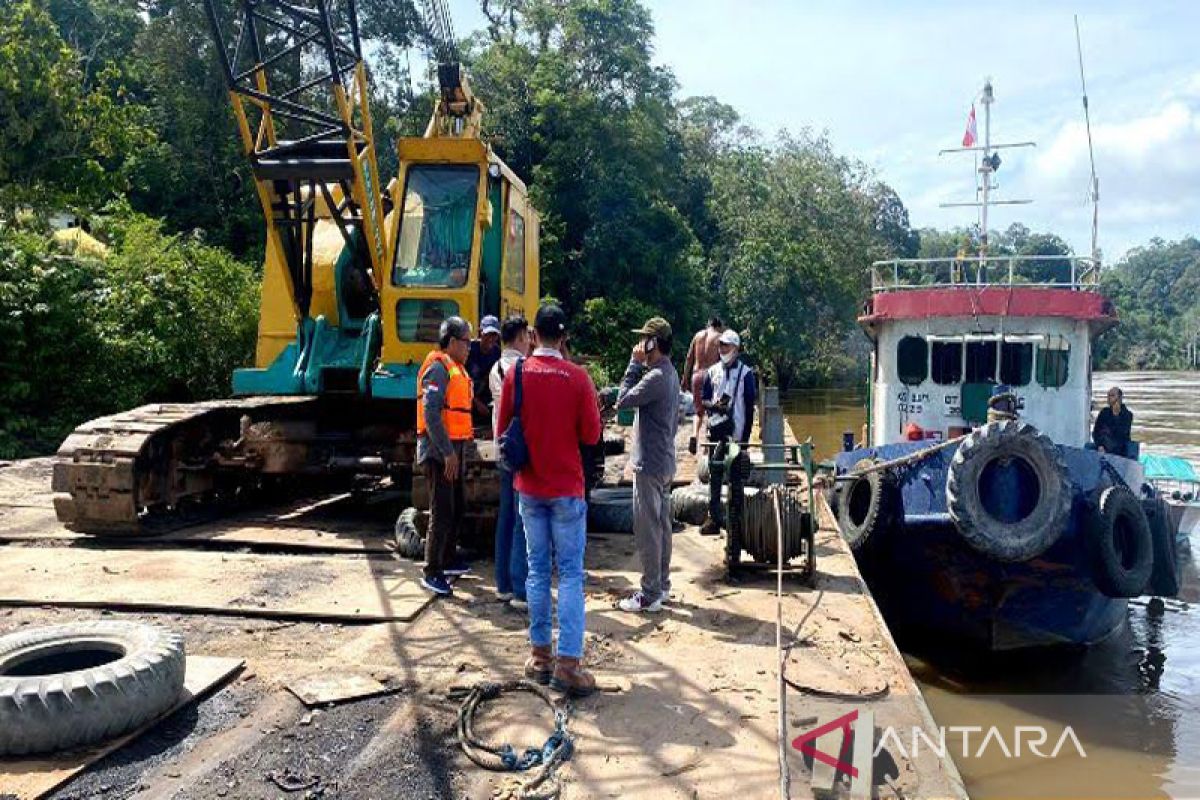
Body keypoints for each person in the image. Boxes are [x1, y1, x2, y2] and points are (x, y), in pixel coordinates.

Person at [497, 305, 603, 697]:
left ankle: (540, 657)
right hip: (567, 490)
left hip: (528, 487)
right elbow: (591, 436)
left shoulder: (517, 374)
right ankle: (569, 665)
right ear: (563, 336)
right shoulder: (577, 378)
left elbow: (502, 430)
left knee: (538, 571)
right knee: (571, 573)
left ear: (533, 334)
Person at [616, 317, 681, 613]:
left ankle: (650, 592)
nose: (641, 345)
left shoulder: (655, 377)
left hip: (650, 464)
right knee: (662, 526)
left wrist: (633, 364)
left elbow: (622, 400)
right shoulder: (669, 373)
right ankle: (662, 585)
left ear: (654, 343)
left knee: (648, 529)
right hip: (664, 460)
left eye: (645, 340)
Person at [417, 317, 475, 597]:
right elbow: (431, 414)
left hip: (454, 450)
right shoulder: (438, 369)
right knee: (441, 511)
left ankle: (449, 559)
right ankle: (432, 570)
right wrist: (447, 453)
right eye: (466, 342)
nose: (469, 348)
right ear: (452, 342)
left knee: (456, 507)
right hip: (440, 452)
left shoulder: (457, 370)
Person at [489, 315, 531, 610]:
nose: (531, 340)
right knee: (520, 520)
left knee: (506, 518)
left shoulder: (496, 367)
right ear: (520, 338)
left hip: (502, 449)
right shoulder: (520, 368)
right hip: (519, 451)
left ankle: (503, 583)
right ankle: (519, 587)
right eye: (528, 336)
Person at [699, 330, 758, 536]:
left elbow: (750, 407)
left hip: (737, 434)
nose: (722, 350)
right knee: (714, 474)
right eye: (721, 346)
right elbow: (704, 398)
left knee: (736, 477)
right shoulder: (712, 372)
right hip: (717, 431)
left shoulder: (746, 374)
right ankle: (713, 517)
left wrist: (746, 439)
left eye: (726, 346)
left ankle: (737, 520)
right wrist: (715, 406)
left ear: (736, 349)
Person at [681, 317, 725, 455]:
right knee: (713, 410)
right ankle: (708, 443)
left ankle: (694, 435)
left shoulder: (698, 336)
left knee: (698, 412)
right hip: (711, 376)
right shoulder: (720, 337)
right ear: (718, 326)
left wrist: (684, 378)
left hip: (696, 375)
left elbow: (689, 358)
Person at [466, 315, 502, 426]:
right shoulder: (469, 349)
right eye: (487, 334)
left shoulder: (497, 352)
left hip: (485, 400)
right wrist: (476, 402)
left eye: (494, 335)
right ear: (480, 332)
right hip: (467, 398)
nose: (491, 338)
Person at [1092, 387, 1134, 457]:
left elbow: (1121, 434)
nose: (1109, 398)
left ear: (1119, 398)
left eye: (1112, 396)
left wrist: (1116, 417)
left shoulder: (1127, 415)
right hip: (1101, 445)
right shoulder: (1104, 412)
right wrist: (1099, 445)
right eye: (1108, 396)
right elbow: (1096, 432)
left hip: (1118, 448)